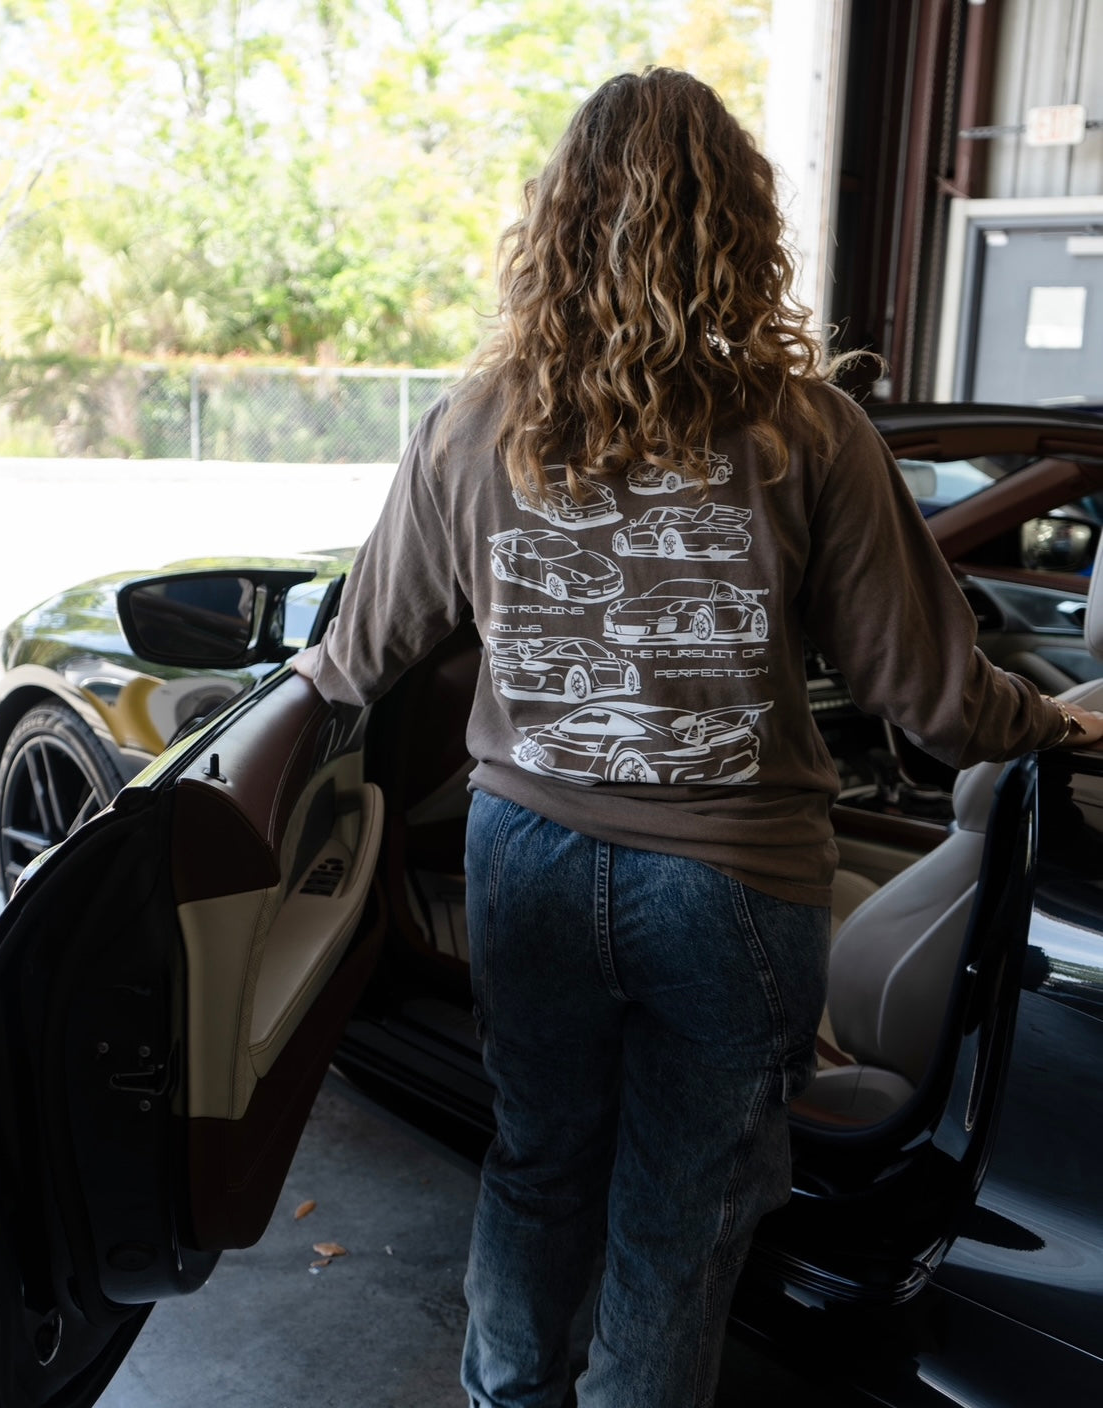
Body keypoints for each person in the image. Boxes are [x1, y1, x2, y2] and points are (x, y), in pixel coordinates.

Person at [292, 68, 1103, 1408]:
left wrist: (234, 773)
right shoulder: (810, 435)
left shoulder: (470, 426)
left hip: (525, 858)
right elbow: (932, 700)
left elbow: (360, 653)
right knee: (683, 1206)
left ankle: (505, 1398)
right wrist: (1052, 719)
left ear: (556, 225)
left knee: (538, 1159)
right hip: (731, 885)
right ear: (741, 225)